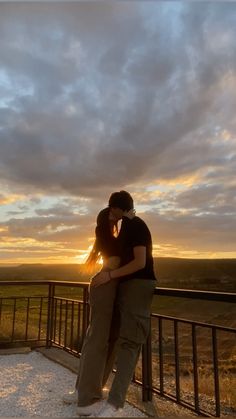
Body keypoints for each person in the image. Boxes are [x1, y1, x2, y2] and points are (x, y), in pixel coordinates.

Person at [64, 191, 157, 417]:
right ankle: (95, 399)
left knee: (104, 339)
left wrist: (111, 275)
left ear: (116, 207)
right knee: (103, 340)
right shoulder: (120, 229)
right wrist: (111, 275)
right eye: (110, 217)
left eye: (113, 213)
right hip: (112, 287)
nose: (113, 219)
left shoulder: (127, 227)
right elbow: (130, 260)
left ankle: (86, 392)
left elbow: (137, 260)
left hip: (119, 289)